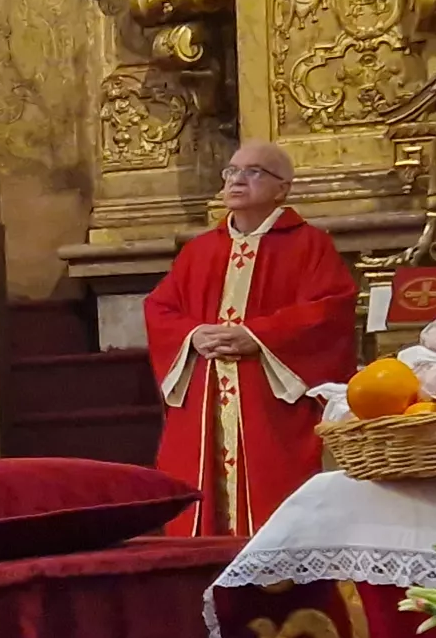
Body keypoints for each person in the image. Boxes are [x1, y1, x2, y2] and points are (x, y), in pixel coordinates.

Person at [143, 140, 360, 538]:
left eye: (253, 171)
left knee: (277, 503)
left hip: (269, 400)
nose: (237, 180)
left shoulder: (309, 245)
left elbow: (330, 310)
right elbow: (160, 309)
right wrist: (193, 336)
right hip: (206, 396)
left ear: (283, 188)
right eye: (231, 171)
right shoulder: (200, 250)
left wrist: (257, 336)